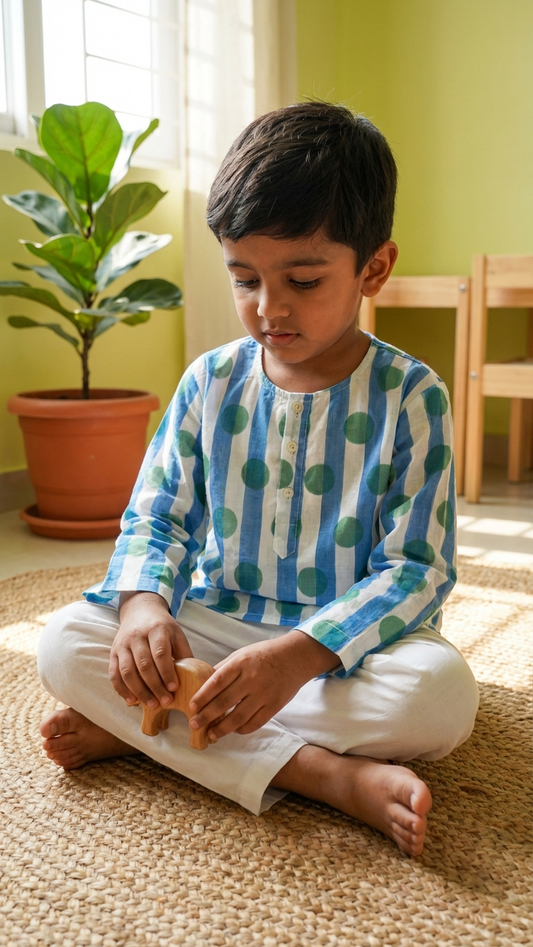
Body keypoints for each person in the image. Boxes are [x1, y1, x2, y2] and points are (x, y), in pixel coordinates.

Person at [38, 102, 479, 858]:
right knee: (63, 642)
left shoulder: (413, 396)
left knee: (440, 700)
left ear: (372, 267)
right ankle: (323, 776)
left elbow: (414, 569)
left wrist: (301, 653)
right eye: (244, 279)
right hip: (215, 622)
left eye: (302, 280)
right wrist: (144, 606)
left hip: (344, 652)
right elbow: (157, 517)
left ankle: (152, 730)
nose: (268, 309)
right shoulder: (209, 380)